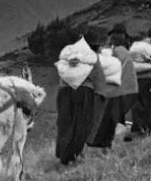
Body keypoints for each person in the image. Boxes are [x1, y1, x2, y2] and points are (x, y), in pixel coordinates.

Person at [88, 23, 140, 150]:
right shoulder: (125, 52)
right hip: (131, 89)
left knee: (108, 118)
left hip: (120, 91)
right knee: (117, 117)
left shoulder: (113, 53)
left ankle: (105, 145)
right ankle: (117, 140)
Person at [55, 30, 101, 165]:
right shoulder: (92, 57)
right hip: (84, 92)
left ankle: (62, 154)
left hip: (63, 92)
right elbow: (96, 77)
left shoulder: (69, 55)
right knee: (82, 123)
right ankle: (73, 155)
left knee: (65, 123)